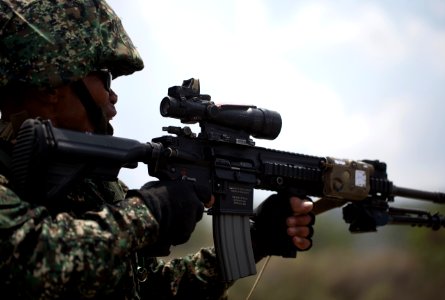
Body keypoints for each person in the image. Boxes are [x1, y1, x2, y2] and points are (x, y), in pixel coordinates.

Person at [0, 0, 314, 299]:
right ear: (52, 82)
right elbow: (29, 263)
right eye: (105, 78)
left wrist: (254, 240)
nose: (113, 97)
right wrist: (149, 212)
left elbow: (152, 291)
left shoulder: (95, 186)